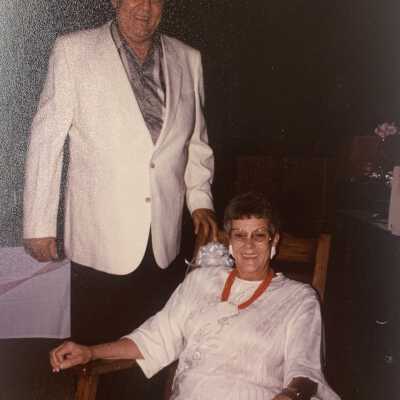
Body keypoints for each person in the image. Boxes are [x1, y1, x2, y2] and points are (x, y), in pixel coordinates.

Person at [23, 0, 217, 347]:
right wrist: (39, 225)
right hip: (99, 244)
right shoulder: (73, 51)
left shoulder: (189, 59)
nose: (146, 8)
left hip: (164, 245)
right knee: (92, 355)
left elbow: (196, 143)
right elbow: (46, 142)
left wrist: (200, 201)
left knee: (155, 354)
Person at [50, 193, 340, 400]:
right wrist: (91, 352)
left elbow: (305, 371)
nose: (249, 246)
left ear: (274, 240)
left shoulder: (299, 299)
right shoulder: (201, 281)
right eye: (240, 235)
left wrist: (289, 395)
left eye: (259, 235)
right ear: (229, 240)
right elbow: (154, 338)